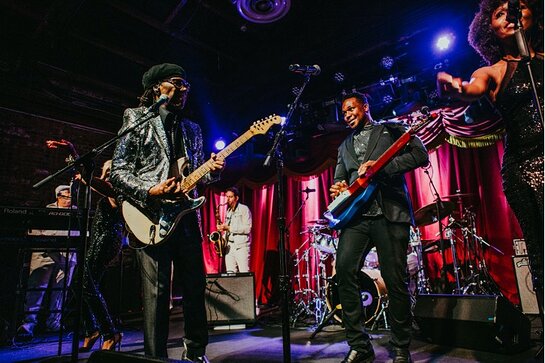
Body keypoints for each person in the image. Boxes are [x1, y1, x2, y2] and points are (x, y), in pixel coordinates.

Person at [110, 63, 225, 362]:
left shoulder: (192, 129)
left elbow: (198, 176)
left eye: (187, 84)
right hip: (150, 217)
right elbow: (119, 172)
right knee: (157, 295)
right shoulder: (135, 119)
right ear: (157, 88)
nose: (184, 89)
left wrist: (213, 171)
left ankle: (196, 354)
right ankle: (156, 358)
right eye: (176, 83)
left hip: (186, 219)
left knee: (195, 288)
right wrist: (151, 190)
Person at [436, 0, 543, 311]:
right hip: (525, 168)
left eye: (518, 6)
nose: (510, 15)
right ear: (490, 30)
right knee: (542, 251)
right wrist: (456, 89)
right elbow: (471, 88)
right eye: (499, 14)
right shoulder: (493, 71)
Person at [329, 92, 428, 363]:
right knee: (345, 272)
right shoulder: (344, 146)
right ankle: (359, 345)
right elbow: (340, 179)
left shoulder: (391, 129)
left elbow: (420, 154)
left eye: (352, 108)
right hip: (357, 218)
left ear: (365, 106)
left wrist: (383, 168)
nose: (347, 114)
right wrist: (338, 187)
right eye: (344, 111)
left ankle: (400, 347)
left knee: (395, 280)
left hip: (389, 214)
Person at [46, 140, 125, 351]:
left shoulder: (118, 189)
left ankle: (109, 332)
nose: (103, 173)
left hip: (106, 240)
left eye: (107, 170)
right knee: (77, 285)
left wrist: (73, 152)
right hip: (97, 239)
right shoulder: (104, 185)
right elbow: (93, 180)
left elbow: (100, 184)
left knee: (87, 285)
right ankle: (93, 330)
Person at [15, 185, 77, 341]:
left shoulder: (76, 212)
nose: (68, 200)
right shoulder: (45, 211)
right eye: (65, 197)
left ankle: (54, 322)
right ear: (58, 197)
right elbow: (35, 231)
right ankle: (28, 324)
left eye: (70, 197)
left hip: (66, 256)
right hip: (45, 254)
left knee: (61, 290)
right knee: (36, 289)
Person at [217, 186, 252, 273]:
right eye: (227, 197)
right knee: (230, 274)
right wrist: (221, 239)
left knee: (244, 274)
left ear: (236, 198)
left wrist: (229, 228)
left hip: (241, 247)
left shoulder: (244, 209)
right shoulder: (228, 211)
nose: (228, 199)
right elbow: (228, 231)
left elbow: (247, 228)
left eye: (231, 197)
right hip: (230, 248)